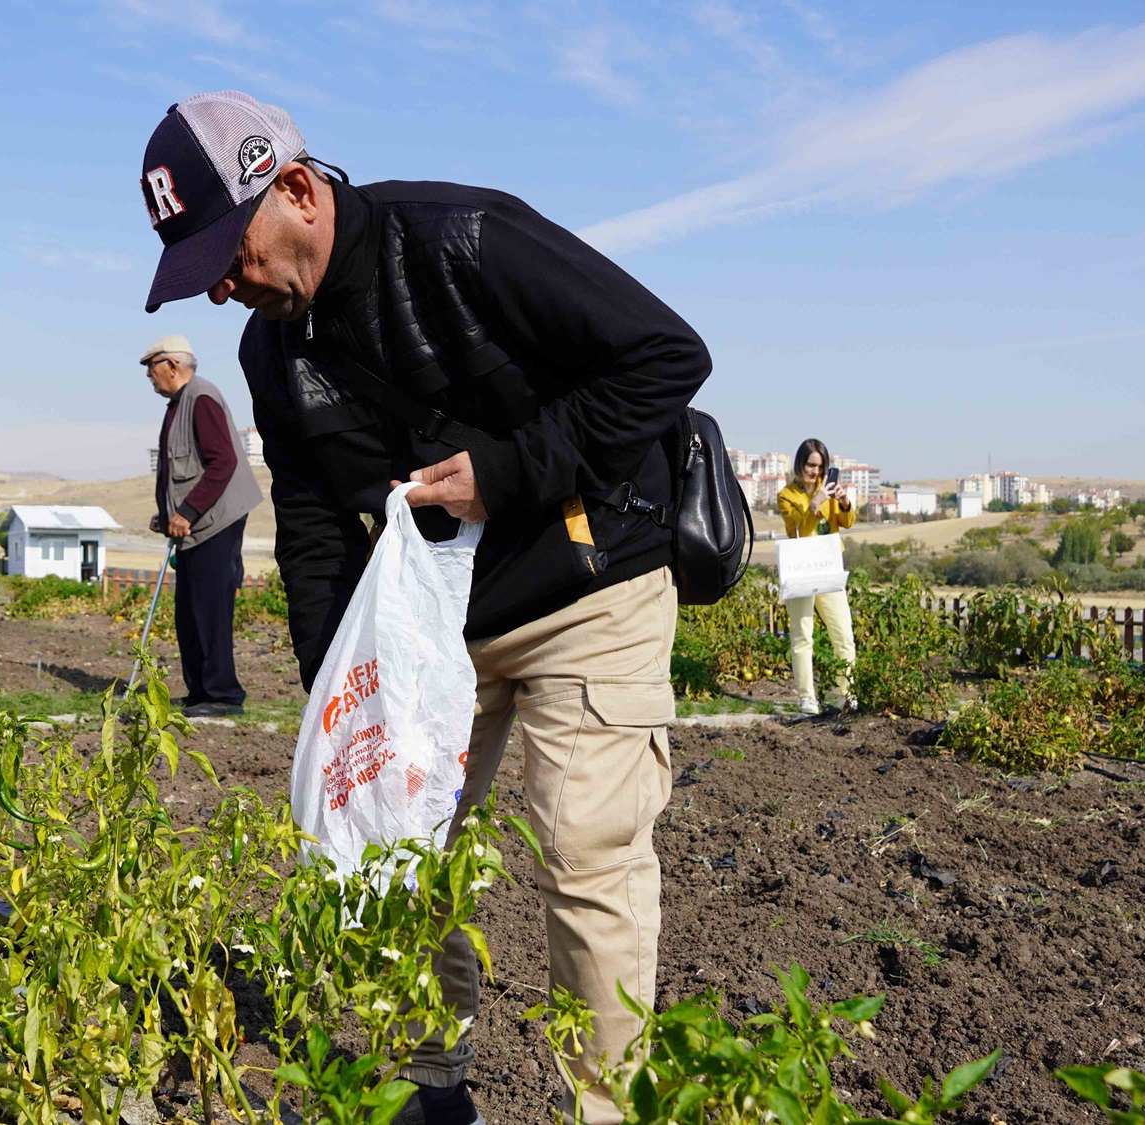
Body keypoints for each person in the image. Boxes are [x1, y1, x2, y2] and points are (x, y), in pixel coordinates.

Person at [136, 92, 710, 1125]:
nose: (223, 289)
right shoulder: (274, 352)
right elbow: (312, 521)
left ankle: (606, 1108)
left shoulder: (461, 240)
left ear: (298, 191)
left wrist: (508, 470)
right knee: (399, 849)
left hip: (589, 584)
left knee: (583, 849)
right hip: (432, 625)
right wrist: (335, 697)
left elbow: (663, 355)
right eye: (202, 272)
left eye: (230, 252)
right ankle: (431, 1088)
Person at [141, 332, 264, 718]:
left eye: (152, 368)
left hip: (215, 524)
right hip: (197, 524)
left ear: (172, 365)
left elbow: (223, 462)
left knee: (209, 610)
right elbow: (188, 470)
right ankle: (200, 693)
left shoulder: (202, 397)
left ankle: (223, 695)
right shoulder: (180, 403)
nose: (149, 377)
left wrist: (187, 512)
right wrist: (169, 513)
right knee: (189, 612)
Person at [775, 439, 857, 715]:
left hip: (829, 564)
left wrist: (844, 503)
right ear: (800, 463)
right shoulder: (787, 495)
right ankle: (806, 697)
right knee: (802, 636)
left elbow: (845, 523)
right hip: (801, 567)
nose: (815, 471)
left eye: (820, 466)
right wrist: (815, 504)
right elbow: (797, 530)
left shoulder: (828, 489)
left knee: (843, 634)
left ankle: (843, 694)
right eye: (811, 465)